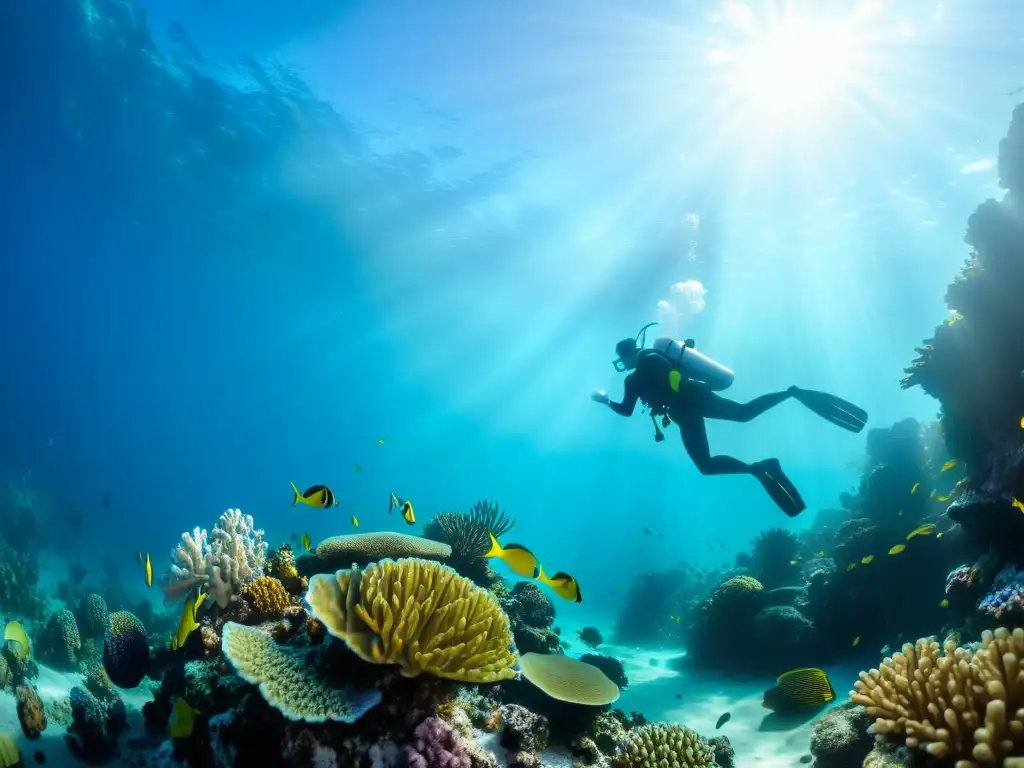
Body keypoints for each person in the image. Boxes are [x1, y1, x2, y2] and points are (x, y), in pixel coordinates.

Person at [592, 335, 868, 517]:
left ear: (626, 355)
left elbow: (626, 410)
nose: (624, 364)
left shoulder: (636, 375)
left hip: (686, 409)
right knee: (742, 417)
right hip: (695, 400)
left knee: (707, 464)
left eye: (622, 359)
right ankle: (788, 398)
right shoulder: (654, 357)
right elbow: (676, 377)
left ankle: (758, 465)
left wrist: (605, 401)